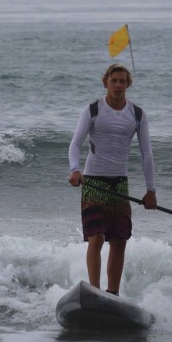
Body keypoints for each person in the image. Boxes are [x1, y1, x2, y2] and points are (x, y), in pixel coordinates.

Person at [68, 63, 157, 296]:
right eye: (114, 80)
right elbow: (75, 143)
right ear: (105, 82)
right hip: (93, 182)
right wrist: (75, 169)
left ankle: (112, 294)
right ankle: (95, 292)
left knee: (119, 240)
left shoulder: (137, 114)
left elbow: (147, 153)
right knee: (96, 237)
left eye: (122, 81)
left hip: (119, 183)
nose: (118, 85)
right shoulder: (93, 110)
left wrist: (151, 190)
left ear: (128, 84)